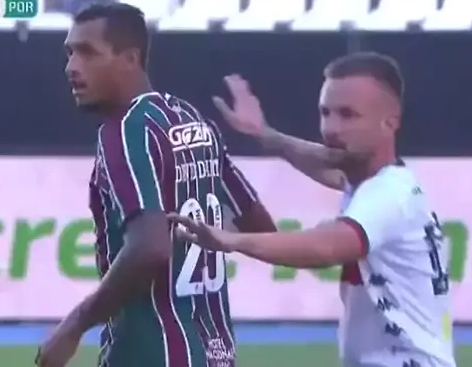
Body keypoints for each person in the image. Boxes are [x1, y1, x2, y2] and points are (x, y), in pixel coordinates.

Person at [170, 53, 456, 367]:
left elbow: (325, 248)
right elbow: (326, 165)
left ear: (390, 122)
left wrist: (231, 240)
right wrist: (265, 135)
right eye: (325, 112)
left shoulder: (387, 196)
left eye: (348, 115)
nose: (331, 127)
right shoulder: (377, 183)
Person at [35, 3, 277, 367]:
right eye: (70, 53)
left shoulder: (125, 131)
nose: (71, 67)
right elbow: (262, 227)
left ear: (130, 59)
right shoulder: (193, 120)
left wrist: (74, 325)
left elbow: (149, 248)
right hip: (216, 354)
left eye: (87, 52)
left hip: (150, 353)